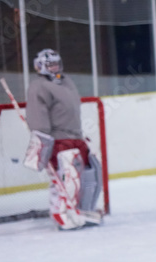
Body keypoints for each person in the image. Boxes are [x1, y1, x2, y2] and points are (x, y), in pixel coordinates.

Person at [24, 49, 102, 230]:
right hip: (59, 139)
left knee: (90, 174)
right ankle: (61, 212)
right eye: (50, 65)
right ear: (40, 66)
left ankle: (82, 210)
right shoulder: (39, 86)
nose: (54, 68)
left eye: (56, 64)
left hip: (76, 136)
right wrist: (42, 141)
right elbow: (38, 116)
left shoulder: (66, 82)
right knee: (66, 176)